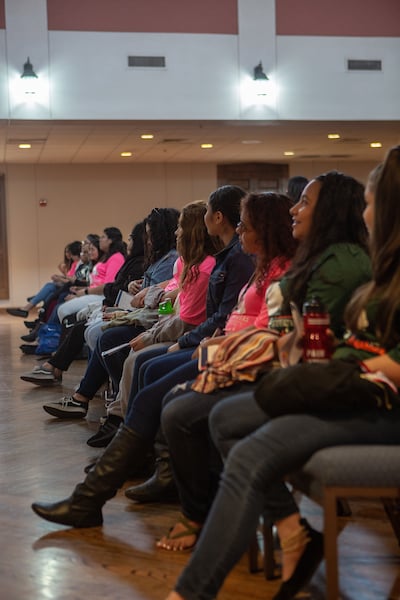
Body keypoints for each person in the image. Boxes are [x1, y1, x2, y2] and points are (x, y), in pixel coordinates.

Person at [156, 151, 400, 600]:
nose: (293, 209)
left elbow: (344, 344)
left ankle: (200, 581)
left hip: (372, 398)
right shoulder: (371, 267)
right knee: (210, 413)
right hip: (345, 384)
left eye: (372, 202)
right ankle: (292, 538)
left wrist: (347, 365)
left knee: (213, 417)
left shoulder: (345, 263)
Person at [30, 184, 254, 526]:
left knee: (142, 363)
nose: (240, 230)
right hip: (213, 342)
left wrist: (176, 335)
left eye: (247, 225)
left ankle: (109, 478)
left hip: (225, 350)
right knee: (133, 356)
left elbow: (214, 318)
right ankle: (139, 464)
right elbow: (212, 314)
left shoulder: (227, 261)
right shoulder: (217, 260)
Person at [37, 207, 180, 413]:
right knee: (86, 323)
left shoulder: (173, 260)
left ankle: (112, 400)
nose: (146, 240)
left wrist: (140, 302)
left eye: (150, 234)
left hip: (155, 322)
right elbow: (149, 291)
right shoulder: (163, 260)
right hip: (145, 316)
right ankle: (93, 395)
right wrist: (136, 291)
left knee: (104, 335)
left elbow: (167, 303)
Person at [20, 222, 145, 386]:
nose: (128, 241)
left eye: (102, 237)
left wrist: (84, 292)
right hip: (111, 300)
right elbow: (113, 286)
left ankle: (56, 357)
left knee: (71, 314)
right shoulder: (120, 259)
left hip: (116, 303)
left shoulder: (119, 259)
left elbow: (111, 286)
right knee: (62, 302)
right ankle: (50, 349)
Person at [55, 227, 127, 324]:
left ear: (111, 240)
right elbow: (96, 282)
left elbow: (108, 285)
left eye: (103, 237)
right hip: (94, 293)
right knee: (62, 305)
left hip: (101, 295)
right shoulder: (107, 257)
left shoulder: (116, 258)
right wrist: (81, 290)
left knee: (63, 310)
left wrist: (84, 292)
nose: (100, 239)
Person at [7, 240, 82, 319]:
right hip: (66, 285)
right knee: (49, 292)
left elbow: (72, 281)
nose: (68, 254)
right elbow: (69, 278)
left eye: (69, 252)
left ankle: (29, 306)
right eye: (66, 252)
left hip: (69, 287)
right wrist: (60, 277)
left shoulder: (78, 264)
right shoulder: (73, 263)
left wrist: (60, 278)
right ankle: (40, 319)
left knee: (49, 287)